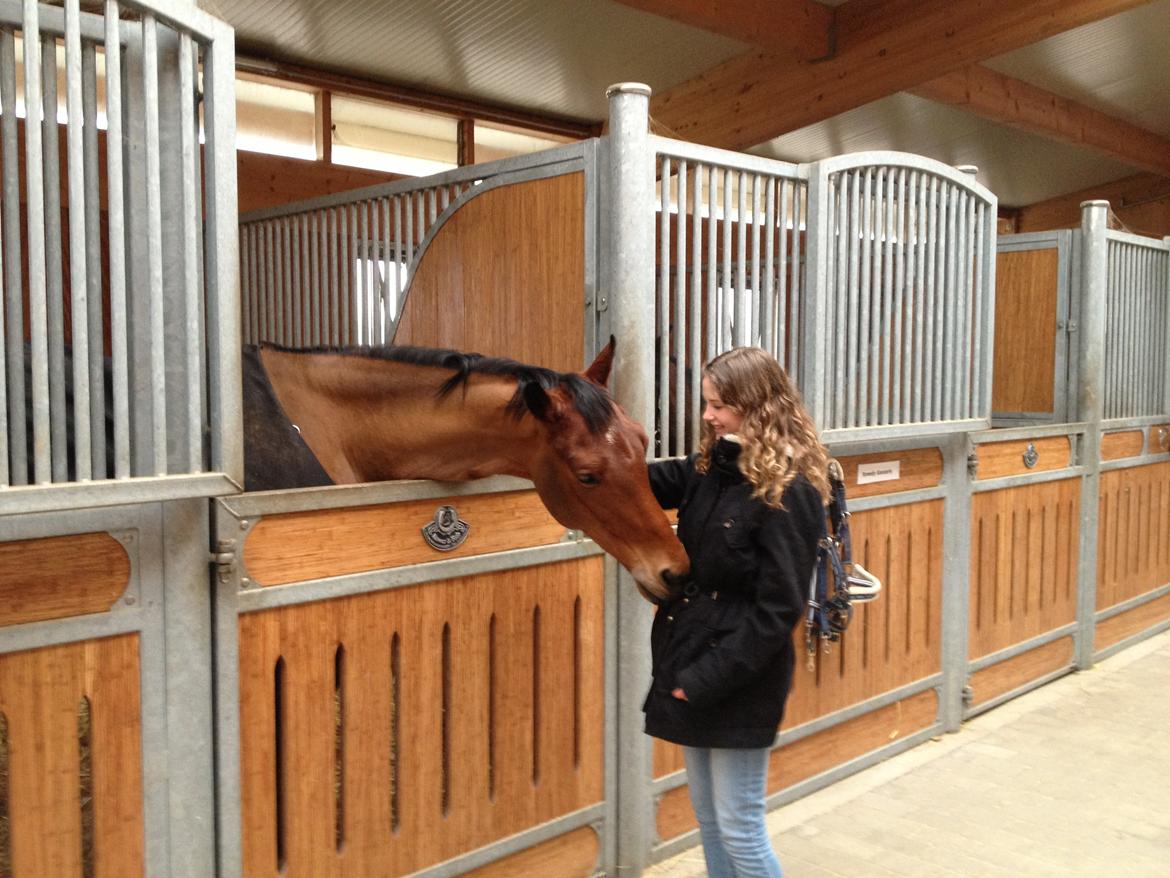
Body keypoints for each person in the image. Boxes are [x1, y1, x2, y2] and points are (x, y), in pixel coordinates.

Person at [645, 346, 830, 878]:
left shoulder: (789, 491)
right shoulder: (712, 467)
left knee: (740, 826)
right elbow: (640, 483)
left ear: (758, 406)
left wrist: (704, 679)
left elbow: (778, 611)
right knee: (708, 819)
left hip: (739, 676)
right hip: (691, 659)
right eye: (707, 403)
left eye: (720, 405)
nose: (708, 415)